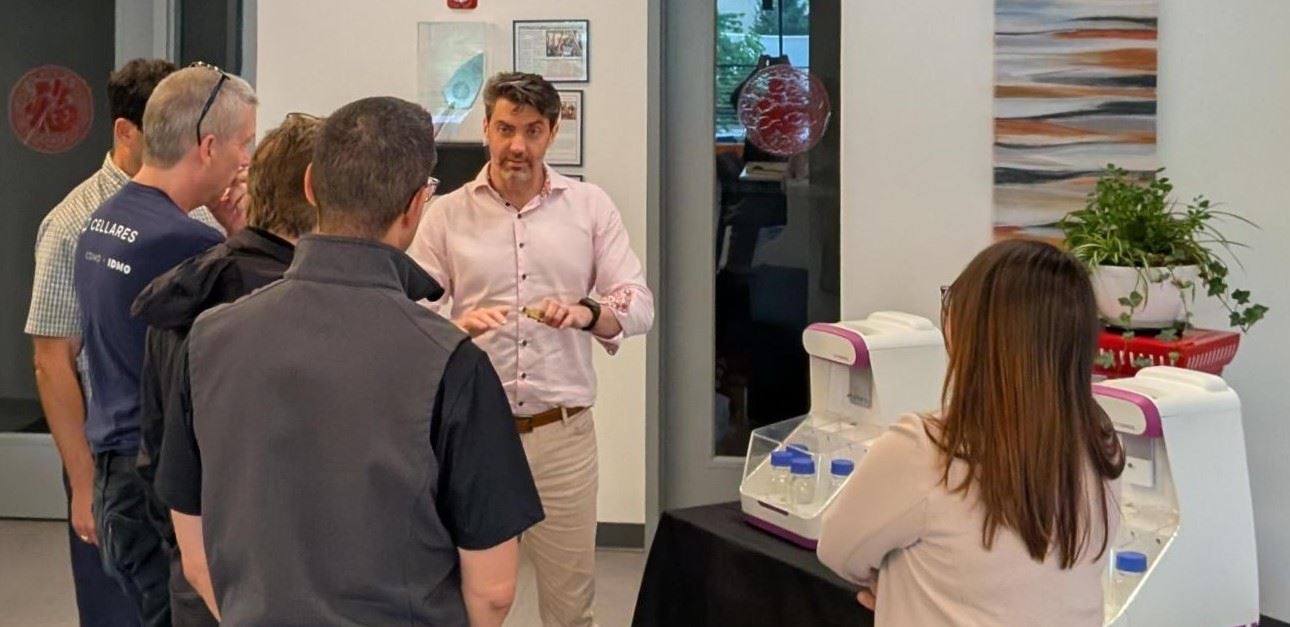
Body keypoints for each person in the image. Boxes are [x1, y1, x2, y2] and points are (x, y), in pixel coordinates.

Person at [156, 96, 544, 626]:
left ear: (312, 187)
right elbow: (494, 588)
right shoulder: (451, 363)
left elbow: (196, 556)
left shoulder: (208, 339)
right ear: (416, 206)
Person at [409, 71, 655, 627]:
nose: (517, 145)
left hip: (560, 435)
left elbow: (639, 304)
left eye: (532, 130)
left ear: (553, 132)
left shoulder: (590, 207)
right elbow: (407, 314)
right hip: (469, 430)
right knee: (463, 597)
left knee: (571, 604)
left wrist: (590, 312)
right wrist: (455, 327)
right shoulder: (445, 214)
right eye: (504, 128)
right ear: (486, 128)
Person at [817, 239, 1126, 626]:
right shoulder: (1100, 445)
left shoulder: (925, 449)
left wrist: (898, 586)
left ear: (975, 332)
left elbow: (838, 550)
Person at [24, 57, 228, 627]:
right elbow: (51, 360)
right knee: (114, 609)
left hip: (178, 456)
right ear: (126, 131)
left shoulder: (202, 215)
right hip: (108, 454)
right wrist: (84, 482)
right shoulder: (72, 222)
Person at [71, 63, 256, 626]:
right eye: (244, 143)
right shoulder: (188, 243)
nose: (245, 160)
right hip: (157, 480)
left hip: (112, 468)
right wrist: (239, 237)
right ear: (208, 146)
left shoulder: (104, 219)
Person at [127, 112, 322, 626]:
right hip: (272, 583)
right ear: (318, 193)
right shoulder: (294, 312)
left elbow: (155, 441)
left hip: (193, 566)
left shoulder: (183, 287)